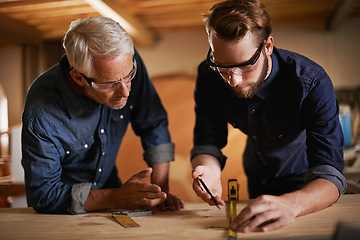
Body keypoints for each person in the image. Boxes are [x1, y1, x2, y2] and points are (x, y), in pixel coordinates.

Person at [191, 0, 346, 233]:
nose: (234, 80)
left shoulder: (312, 83)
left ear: (268, 46)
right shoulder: (208, 74)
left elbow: (331, 175)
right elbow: (207, 142)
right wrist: (208, 171)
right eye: (223, 67)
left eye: (245, 66)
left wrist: (292, 204)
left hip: (304, 185)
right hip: (255, 174)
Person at [21, 17, 184, 214]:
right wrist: (117, 197)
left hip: (111, 192)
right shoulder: (42, 112)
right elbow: (44, 195)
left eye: (129, 76)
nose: (125, 92)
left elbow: (153, 124)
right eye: (109, 84)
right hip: (61, 211)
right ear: (78, 78)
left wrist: (160, 193)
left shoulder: (126, 63)